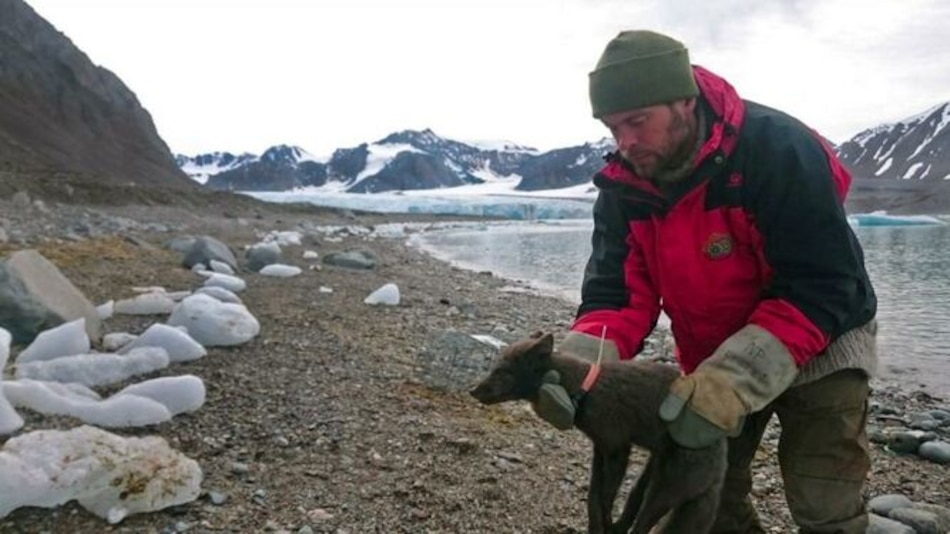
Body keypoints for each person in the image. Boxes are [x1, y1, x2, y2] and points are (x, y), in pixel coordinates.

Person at [533, 30, 878, 533]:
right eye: (613, 127)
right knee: (706, 496)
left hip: (825, 340)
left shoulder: (778, 150)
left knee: (825, 500)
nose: (625, 143)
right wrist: (576, 369)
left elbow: (821, 285)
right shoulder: (626, 186)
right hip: (713, 353)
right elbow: (616, 295)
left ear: (683, 101)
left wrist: (732, 382)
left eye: (638, 121)